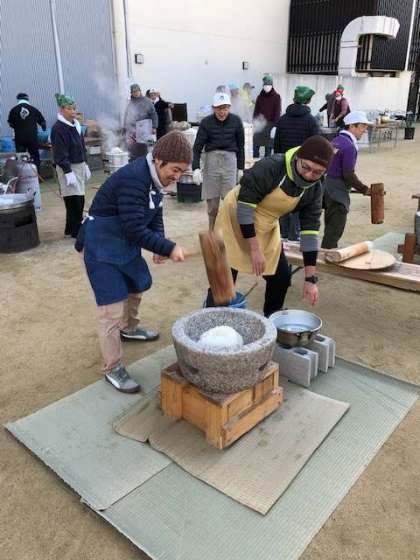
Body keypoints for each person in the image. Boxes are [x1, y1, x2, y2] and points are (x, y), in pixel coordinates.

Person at [75, 131, 192, 394]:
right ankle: (113, 367)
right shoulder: (133, 179)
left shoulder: (156, 178)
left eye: (182, 172)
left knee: (136, 286)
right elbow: (135, 229)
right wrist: (169, 247)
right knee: (111, 310)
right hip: (100, 244)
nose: (177, 177)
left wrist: (160, 240)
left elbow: (155, 213)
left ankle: (129, 329)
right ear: (159, 160)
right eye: (175, 170)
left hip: (123, 242)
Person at [211, 136, 334, 316]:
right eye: (306, 167)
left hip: (266, 223)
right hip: (235, 216)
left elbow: (310, 234)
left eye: (318, 172)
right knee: (223, 280)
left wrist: (310, 279)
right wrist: (254, 249)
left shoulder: (315, 189)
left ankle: (272, 319)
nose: (309, 175)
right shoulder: (272, 167)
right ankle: (210, 318)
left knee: (281, 277)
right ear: (298, 157)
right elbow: (244, 210)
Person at [192, 92, 245, 229]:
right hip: (212, 161)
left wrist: (241, 168)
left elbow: (241, 146)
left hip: (230, 161)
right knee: (212, 202)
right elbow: (197, 147)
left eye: (225, 108)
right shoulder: (206, 122)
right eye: (219, 108)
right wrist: (195, 168)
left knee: (229, 200)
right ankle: (211, 229)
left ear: (229, 108)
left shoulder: (236, 121)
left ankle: (229, 231)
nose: (222, 112)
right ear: (213, 108)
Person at [274, 86, 320, 241]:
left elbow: (277, 145)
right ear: (308, 101)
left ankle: (283, 234)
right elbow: (316, 145)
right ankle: (295, 235)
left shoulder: (282, 119)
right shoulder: (311, 121)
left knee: (283, 198)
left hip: (284, 165)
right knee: (299, 199)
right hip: (303, 167)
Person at [322, 111, 371, 249]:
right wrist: (364, 189)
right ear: (352, 126)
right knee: (335, 230)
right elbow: (348, 174)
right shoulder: (349, 146)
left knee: (330, 225)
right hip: (337, 190)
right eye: (362, 126)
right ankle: (326, 256)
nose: (364, 130)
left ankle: (327, 252)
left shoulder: (336, 140)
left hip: (327, 185)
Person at [51, 93, 90, 238]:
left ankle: (69, 228)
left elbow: (81, 146)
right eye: (69, 108)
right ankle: (76, 231)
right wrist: (67, 171)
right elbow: (60, 152)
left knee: (79, 196)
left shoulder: (76, 125)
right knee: (73, 200)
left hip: (79, 165)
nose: (73, 111)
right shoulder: (58, 128)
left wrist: (85, 163)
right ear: (61, 110)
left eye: (74, 108)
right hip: (68, 166)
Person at [8, 93, 46, 171]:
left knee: (21, 158)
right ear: (27, 99)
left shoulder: (13, 110)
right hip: (32, 137)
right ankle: (36, 174)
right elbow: (42, 122)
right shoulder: (34, 109)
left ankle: (22, 175)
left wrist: (18, 127)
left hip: (19, 138)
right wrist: (43, 128)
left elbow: (10, 123)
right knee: (34, 156)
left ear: (18, 100)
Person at [253, 75, 281, 158]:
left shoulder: (276, 97)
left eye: (268, 85)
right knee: (255, 146)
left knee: (268, 149)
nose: (266, 86)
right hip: (259, 124)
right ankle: (254, 162)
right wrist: (254, 122)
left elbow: (277, 112)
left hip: (270, 125)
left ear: (272, 85)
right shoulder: (259, 97)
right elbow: (256, 111)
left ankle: (266, 163)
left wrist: (275, 125)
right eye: (265, 85)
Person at [123, 84, 158, 152]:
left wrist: (154, 127)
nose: (135, 93)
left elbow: (153, 114)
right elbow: (127, 116)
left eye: (137, 91)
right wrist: (125, 127)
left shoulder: (147, 101)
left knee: (150, 146)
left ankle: (151, 157)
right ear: (131, 93)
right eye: (134, 92)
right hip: (135, 129)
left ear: (140, 91)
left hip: (147, 128)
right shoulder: (130, 103)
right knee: (136, 147)